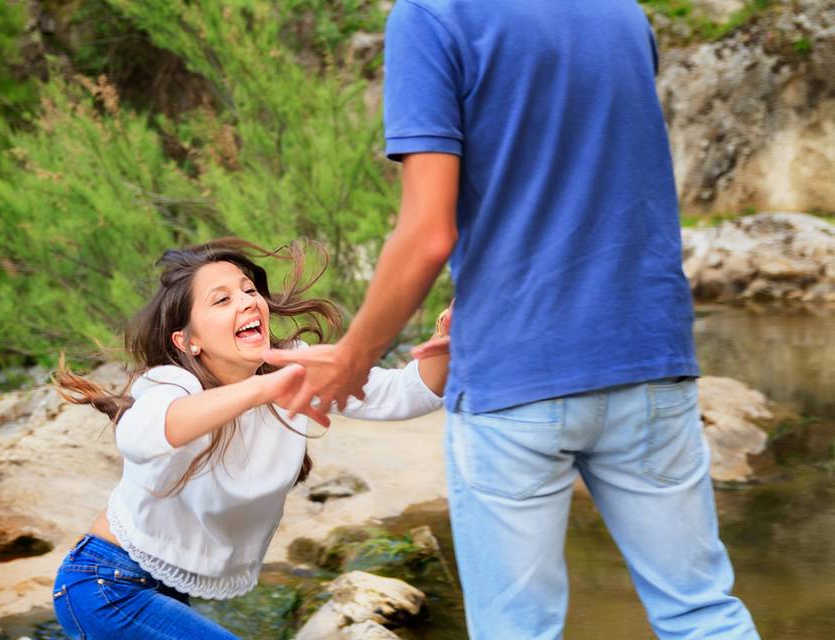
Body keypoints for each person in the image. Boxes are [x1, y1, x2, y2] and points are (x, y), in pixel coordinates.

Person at [264, 1, 759, 638]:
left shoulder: (432, 16)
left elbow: (427, 234)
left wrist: (352, 357)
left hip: (518, 373)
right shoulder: (623, 13)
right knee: (701, 611)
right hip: (648, 351)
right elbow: (591, 176)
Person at [51, 238, 448, 639]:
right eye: (221, 300)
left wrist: (447, 340)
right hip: (106, 586)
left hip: (163, 591)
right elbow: (141, 436)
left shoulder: (290, 364)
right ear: (188, 341)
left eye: (249, 290)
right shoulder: (174, 383)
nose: (246, 301)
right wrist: (266, 389)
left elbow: (402, 394)